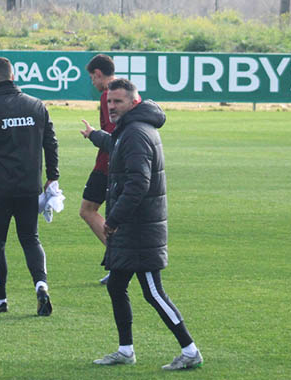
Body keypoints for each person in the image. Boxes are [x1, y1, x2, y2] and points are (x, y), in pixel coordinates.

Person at [81, 78, 203, 370]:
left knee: (153, 291)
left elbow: (138, 183)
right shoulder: (129, 129)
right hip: (133, 227)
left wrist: (113, 220)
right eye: (109, 102)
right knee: (117, 286)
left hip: (139, 229)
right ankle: (125, 350)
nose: (111, 107)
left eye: (118, 102)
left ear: (133, 102)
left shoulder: (135, 132)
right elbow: (115, 145)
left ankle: (190, 350)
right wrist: (95, 135)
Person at [0, 57, 59, 316]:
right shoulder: (36, 105)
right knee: (31, 239)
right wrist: (52, 176)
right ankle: (41, 286)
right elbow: (50, 142)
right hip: (30, 186)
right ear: (13, 76)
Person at [81, 54, 116, 285]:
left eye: (92, 77)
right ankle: (118, 260)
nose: (93, 82)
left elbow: (113, 133)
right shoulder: (126, 91)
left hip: (107, 163)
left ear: (98, 74)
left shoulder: (107, 96)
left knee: (87, 210)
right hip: (121, 163)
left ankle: (119, 259)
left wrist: (93, 134)